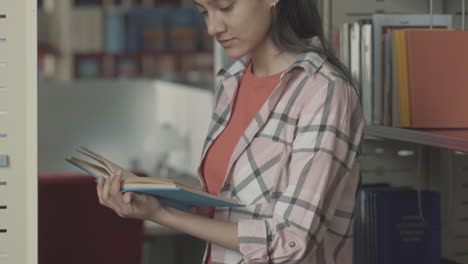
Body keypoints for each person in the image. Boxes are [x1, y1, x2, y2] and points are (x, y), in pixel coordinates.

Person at [96, 0, 366, 263]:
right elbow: (232, 204)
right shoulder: (232, 80)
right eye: (204, 12)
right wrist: (154, 196)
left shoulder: (324, 92)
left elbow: (291, 241)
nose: (213, 27)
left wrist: (163, 215)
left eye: (225, 7)